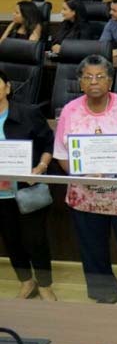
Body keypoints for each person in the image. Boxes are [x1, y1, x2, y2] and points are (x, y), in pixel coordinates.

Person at [52, 54, 117, 305]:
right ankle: (105, 295)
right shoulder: (69, 111)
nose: (94, 81)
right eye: (88, 77)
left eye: (100, 76)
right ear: (80, 82)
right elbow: (62, 154)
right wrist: (79, 172)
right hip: (85, 195)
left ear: (110, 80)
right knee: (93, 250)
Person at [0, 69, 56, 301]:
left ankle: (45, 285)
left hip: (27, 187)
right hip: (1, 194)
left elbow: (48, 144)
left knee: (35, 240)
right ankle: (26, 281)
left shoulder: (28, 113)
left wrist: (41, 167)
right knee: (10, 239)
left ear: (7, 87)